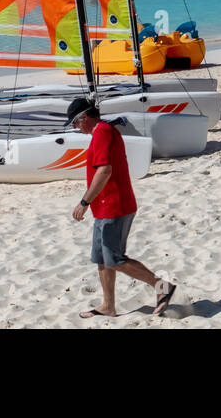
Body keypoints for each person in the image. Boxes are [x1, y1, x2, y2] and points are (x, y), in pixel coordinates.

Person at [68, 98, 176, 318]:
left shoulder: (102, 133)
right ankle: (108, 305)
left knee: (114, 258)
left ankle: (161, 286)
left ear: (85, 117)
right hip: (105, 207)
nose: (75, 127)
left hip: (115, 206)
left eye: (75, 123)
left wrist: (84, 202)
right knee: (101, 258)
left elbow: (104, 171)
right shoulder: (102, 131)